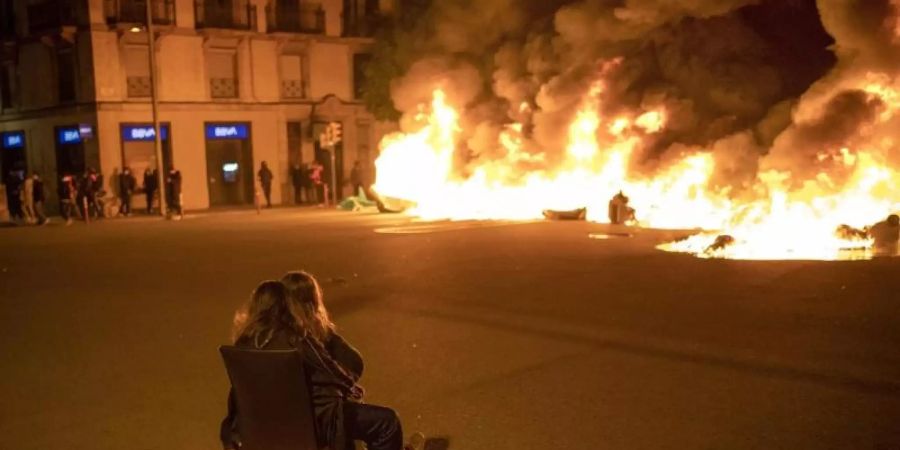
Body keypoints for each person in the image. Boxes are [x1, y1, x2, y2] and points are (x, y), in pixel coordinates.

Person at [221, 279, 406, 450]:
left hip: (260, 428)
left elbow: (238, 393)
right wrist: (350, 386)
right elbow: (332, 372)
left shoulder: (242, 345)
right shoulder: (297, 338)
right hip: (314, 424)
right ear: (287, 306)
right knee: (388, 422)